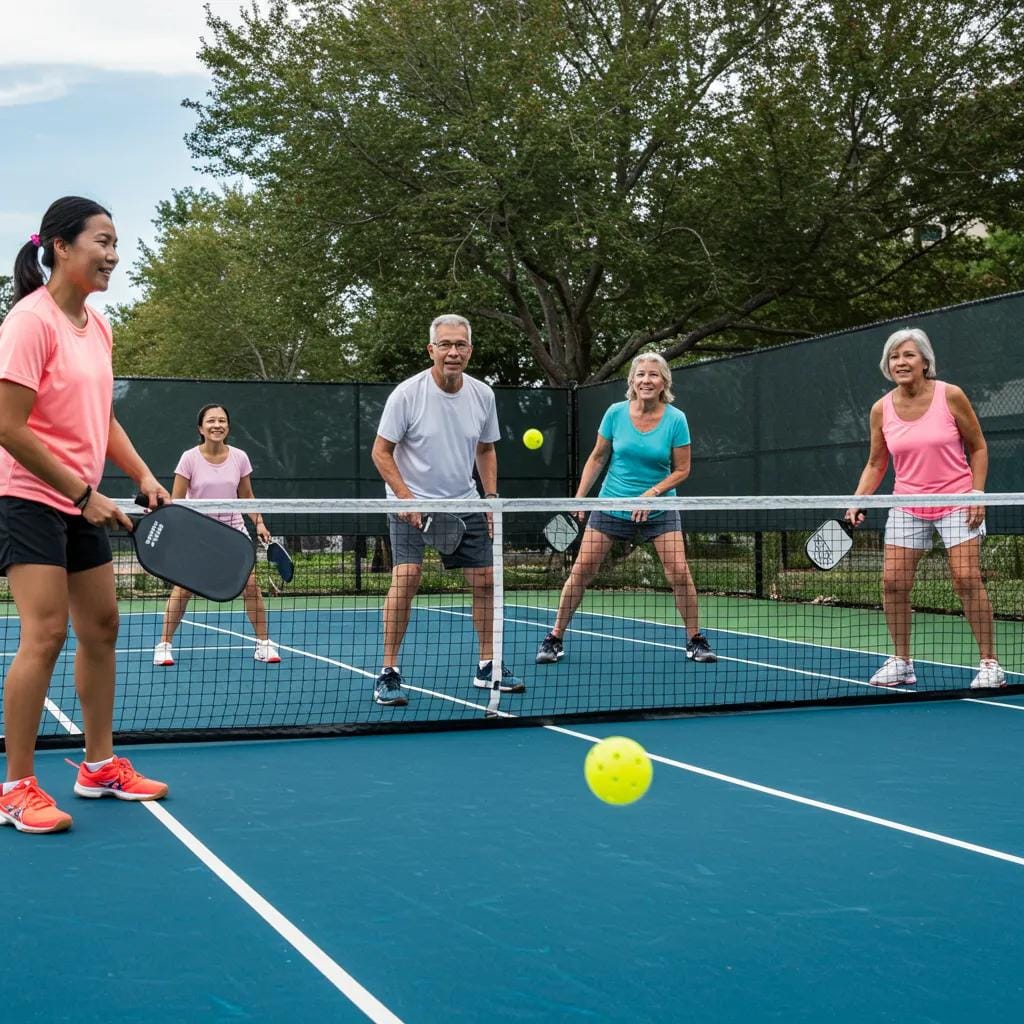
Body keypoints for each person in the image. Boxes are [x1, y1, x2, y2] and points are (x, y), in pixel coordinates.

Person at [0, 197, 170, 834]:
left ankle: (98, 765)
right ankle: (16, 786)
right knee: (43, 634)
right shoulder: (28, 322)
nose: (113, 255)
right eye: (102, 241)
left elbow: (102, 419)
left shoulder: (97, 327)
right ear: (62, 247)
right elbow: (8, 428)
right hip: (29, 497)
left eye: (116, 243)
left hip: (80, 498)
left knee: (102, 627)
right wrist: (80, 494)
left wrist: (145, 475)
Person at [370, 314, 525, 706]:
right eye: (445, 345)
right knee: (407, 577)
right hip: (410, 500)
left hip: (465, 501)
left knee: (486, 581)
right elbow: (380, 452)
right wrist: (406, 499)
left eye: (460, 345)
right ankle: (388, 671)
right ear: (431, 350)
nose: (453, 352)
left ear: (470, 351)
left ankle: (488, 664)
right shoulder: (407, 394)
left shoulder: (482, 395)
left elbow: (486, 449)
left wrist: (490, 499)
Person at [845, 327, 1004, 689]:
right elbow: (875, 463)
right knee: (893, 583)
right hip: (907, 504)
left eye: (908, 355)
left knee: (966, 580)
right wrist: (859, 498)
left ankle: (990, 664)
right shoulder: (880, 409)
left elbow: (978, 446)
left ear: (925, 361)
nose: (901, 362)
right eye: (894, 357)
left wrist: (976, 494)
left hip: (956, 501)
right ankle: (902, 662)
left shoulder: (951, 396)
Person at [535, 352, 716, 666]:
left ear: (664, 383)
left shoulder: (676, 419)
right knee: (581, 572)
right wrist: (580, 497)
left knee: (679, 573)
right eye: (641, 374)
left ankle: (695, 639)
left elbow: (682, 469)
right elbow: (598, 457)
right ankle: (554, 637)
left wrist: (652, 495)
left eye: (654, 375)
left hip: (659, 509)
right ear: (632, 381)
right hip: (611, 505)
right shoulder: (615, 413)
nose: (646, 380)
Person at [153, 404, 279, 666]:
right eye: (211, 421)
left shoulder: (240, 457)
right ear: (201, 428)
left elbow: (246, 496)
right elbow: (176, 500)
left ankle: (264, 644)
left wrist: (259, 523)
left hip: (233, 530)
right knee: (183, 589)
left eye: (222, 421)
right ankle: (163, 645)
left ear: (228, 427)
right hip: (198, 531)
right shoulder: (188, 458)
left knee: (251, 585)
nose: (217, 425)